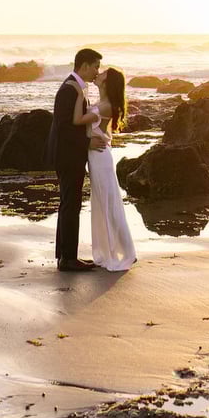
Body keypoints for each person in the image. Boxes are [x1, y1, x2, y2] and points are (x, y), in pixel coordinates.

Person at [71, 66, 137, 272]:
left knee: (109, 203)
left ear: (107, 83)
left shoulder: (107, 106)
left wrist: (79, 93)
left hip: (100, 158)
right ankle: (115, 248)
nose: (98, 74)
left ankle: (125, 251)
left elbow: (77, 120)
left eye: (103, 74)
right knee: (104, 202)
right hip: (96, 156)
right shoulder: (101, 103)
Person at [48, 47, 104, 272]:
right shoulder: (69, 89)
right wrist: (87, 142)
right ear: (85, 65)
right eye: (96, 67)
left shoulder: (75, 87)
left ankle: (65, 255)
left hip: (70, 154)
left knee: (69, 204)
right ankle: (68, 259)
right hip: (67, 155)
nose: (97, 71)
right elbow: (63, 127)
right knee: (71, 204)